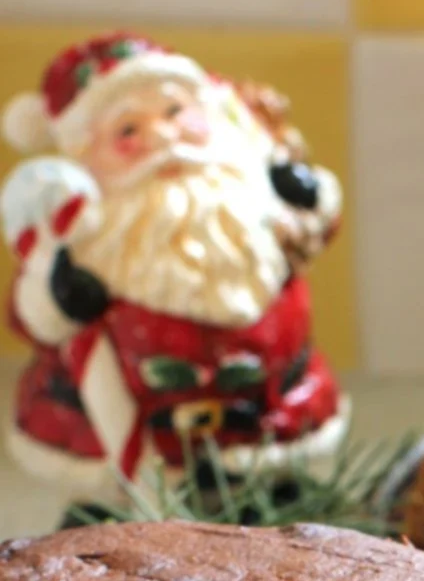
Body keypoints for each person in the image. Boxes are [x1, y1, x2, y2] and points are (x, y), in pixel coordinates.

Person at [1, 31, 347, 503]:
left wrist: (303, 193)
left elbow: (317, 225)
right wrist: (58, 296)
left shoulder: (252, 197)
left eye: (175, 112)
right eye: (128, 131)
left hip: (269, 420)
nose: (163, 137)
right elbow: (34, 317)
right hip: (134, 447)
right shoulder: (90, 237)